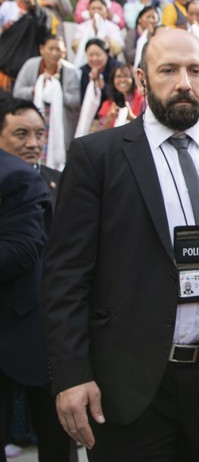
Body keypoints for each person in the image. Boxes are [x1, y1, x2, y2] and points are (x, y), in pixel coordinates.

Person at [41, 28, 199, 459]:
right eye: (168, 70)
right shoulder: (96, 157)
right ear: (141, 79)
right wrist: (71, 374)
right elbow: (65, 278)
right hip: (129, 382)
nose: (184, 83)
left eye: (195, 71)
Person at [0, 139, 63, 462]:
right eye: (21, 133)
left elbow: (24, 250)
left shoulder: (16, 176)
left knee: (54, 432)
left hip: (30, 321)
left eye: (38, 133)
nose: (33, 142)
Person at [12, 34, 80, 161]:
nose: (55, 53)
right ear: (42, 49)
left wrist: (56, 92)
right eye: (51, 48)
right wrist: (37, 90)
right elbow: (17, 92)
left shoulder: (70, 71)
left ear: (64, 51)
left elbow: (75, 100)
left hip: (60, 122)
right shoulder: (31, 65)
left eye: (58, 49)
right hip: (33, 118)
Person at [0, 0, 51, 94]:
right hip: (3, 74)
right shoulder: (8, 7)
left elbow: (43, 34)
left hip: (26, 78)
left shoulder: (44, 15)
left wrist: (34, 8)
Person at [97, 63, 143, 129]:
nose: (122, 80)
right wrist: (109, 120)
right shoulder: (107, 104)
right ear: (113, 80)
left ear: (133, 79)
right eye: (118, 76)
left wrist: (131, 117)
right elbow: (100, 135)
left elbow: (148, 128)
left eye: (126, 76)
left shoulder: (142, 100)